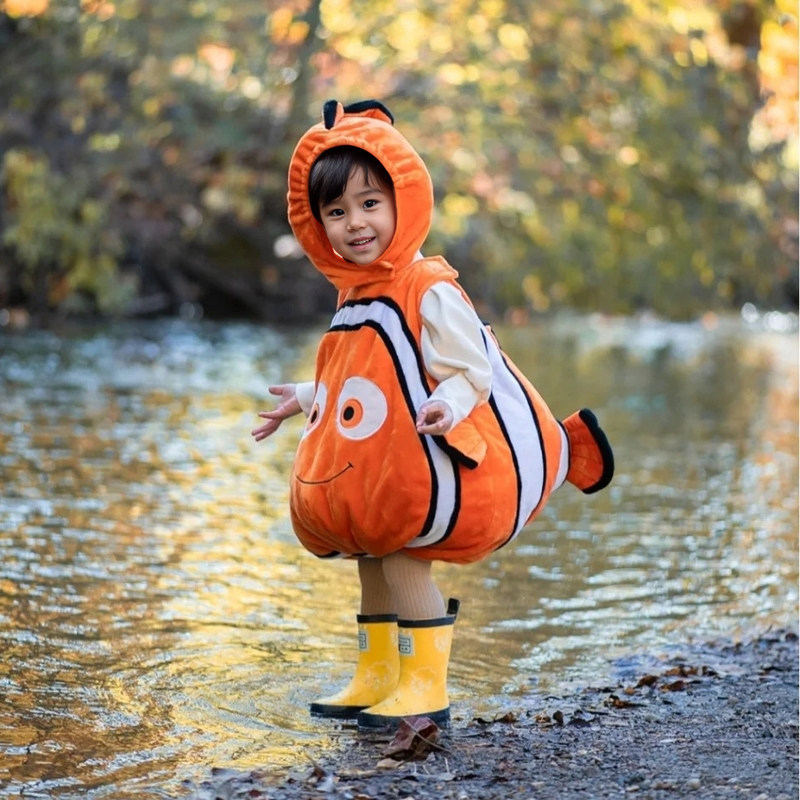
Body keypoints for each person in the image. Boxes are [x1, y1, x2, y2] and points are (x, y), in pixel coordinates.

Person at [251, 99, 614, 729]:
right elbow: (368, 383)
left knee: (400, 556)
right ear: (318, 225)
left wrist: (447, 403)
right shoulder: (357, 295)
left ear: (402, 202)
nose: (354, 224)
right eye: (335, 213)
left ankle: (424, 686)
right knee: (368, 558)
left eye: (370, 204)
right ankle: (376, 675)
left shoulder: (428, 287)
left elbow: (471, 367)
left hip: (437, 448)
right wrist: (309, 397)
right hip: (389, 460)